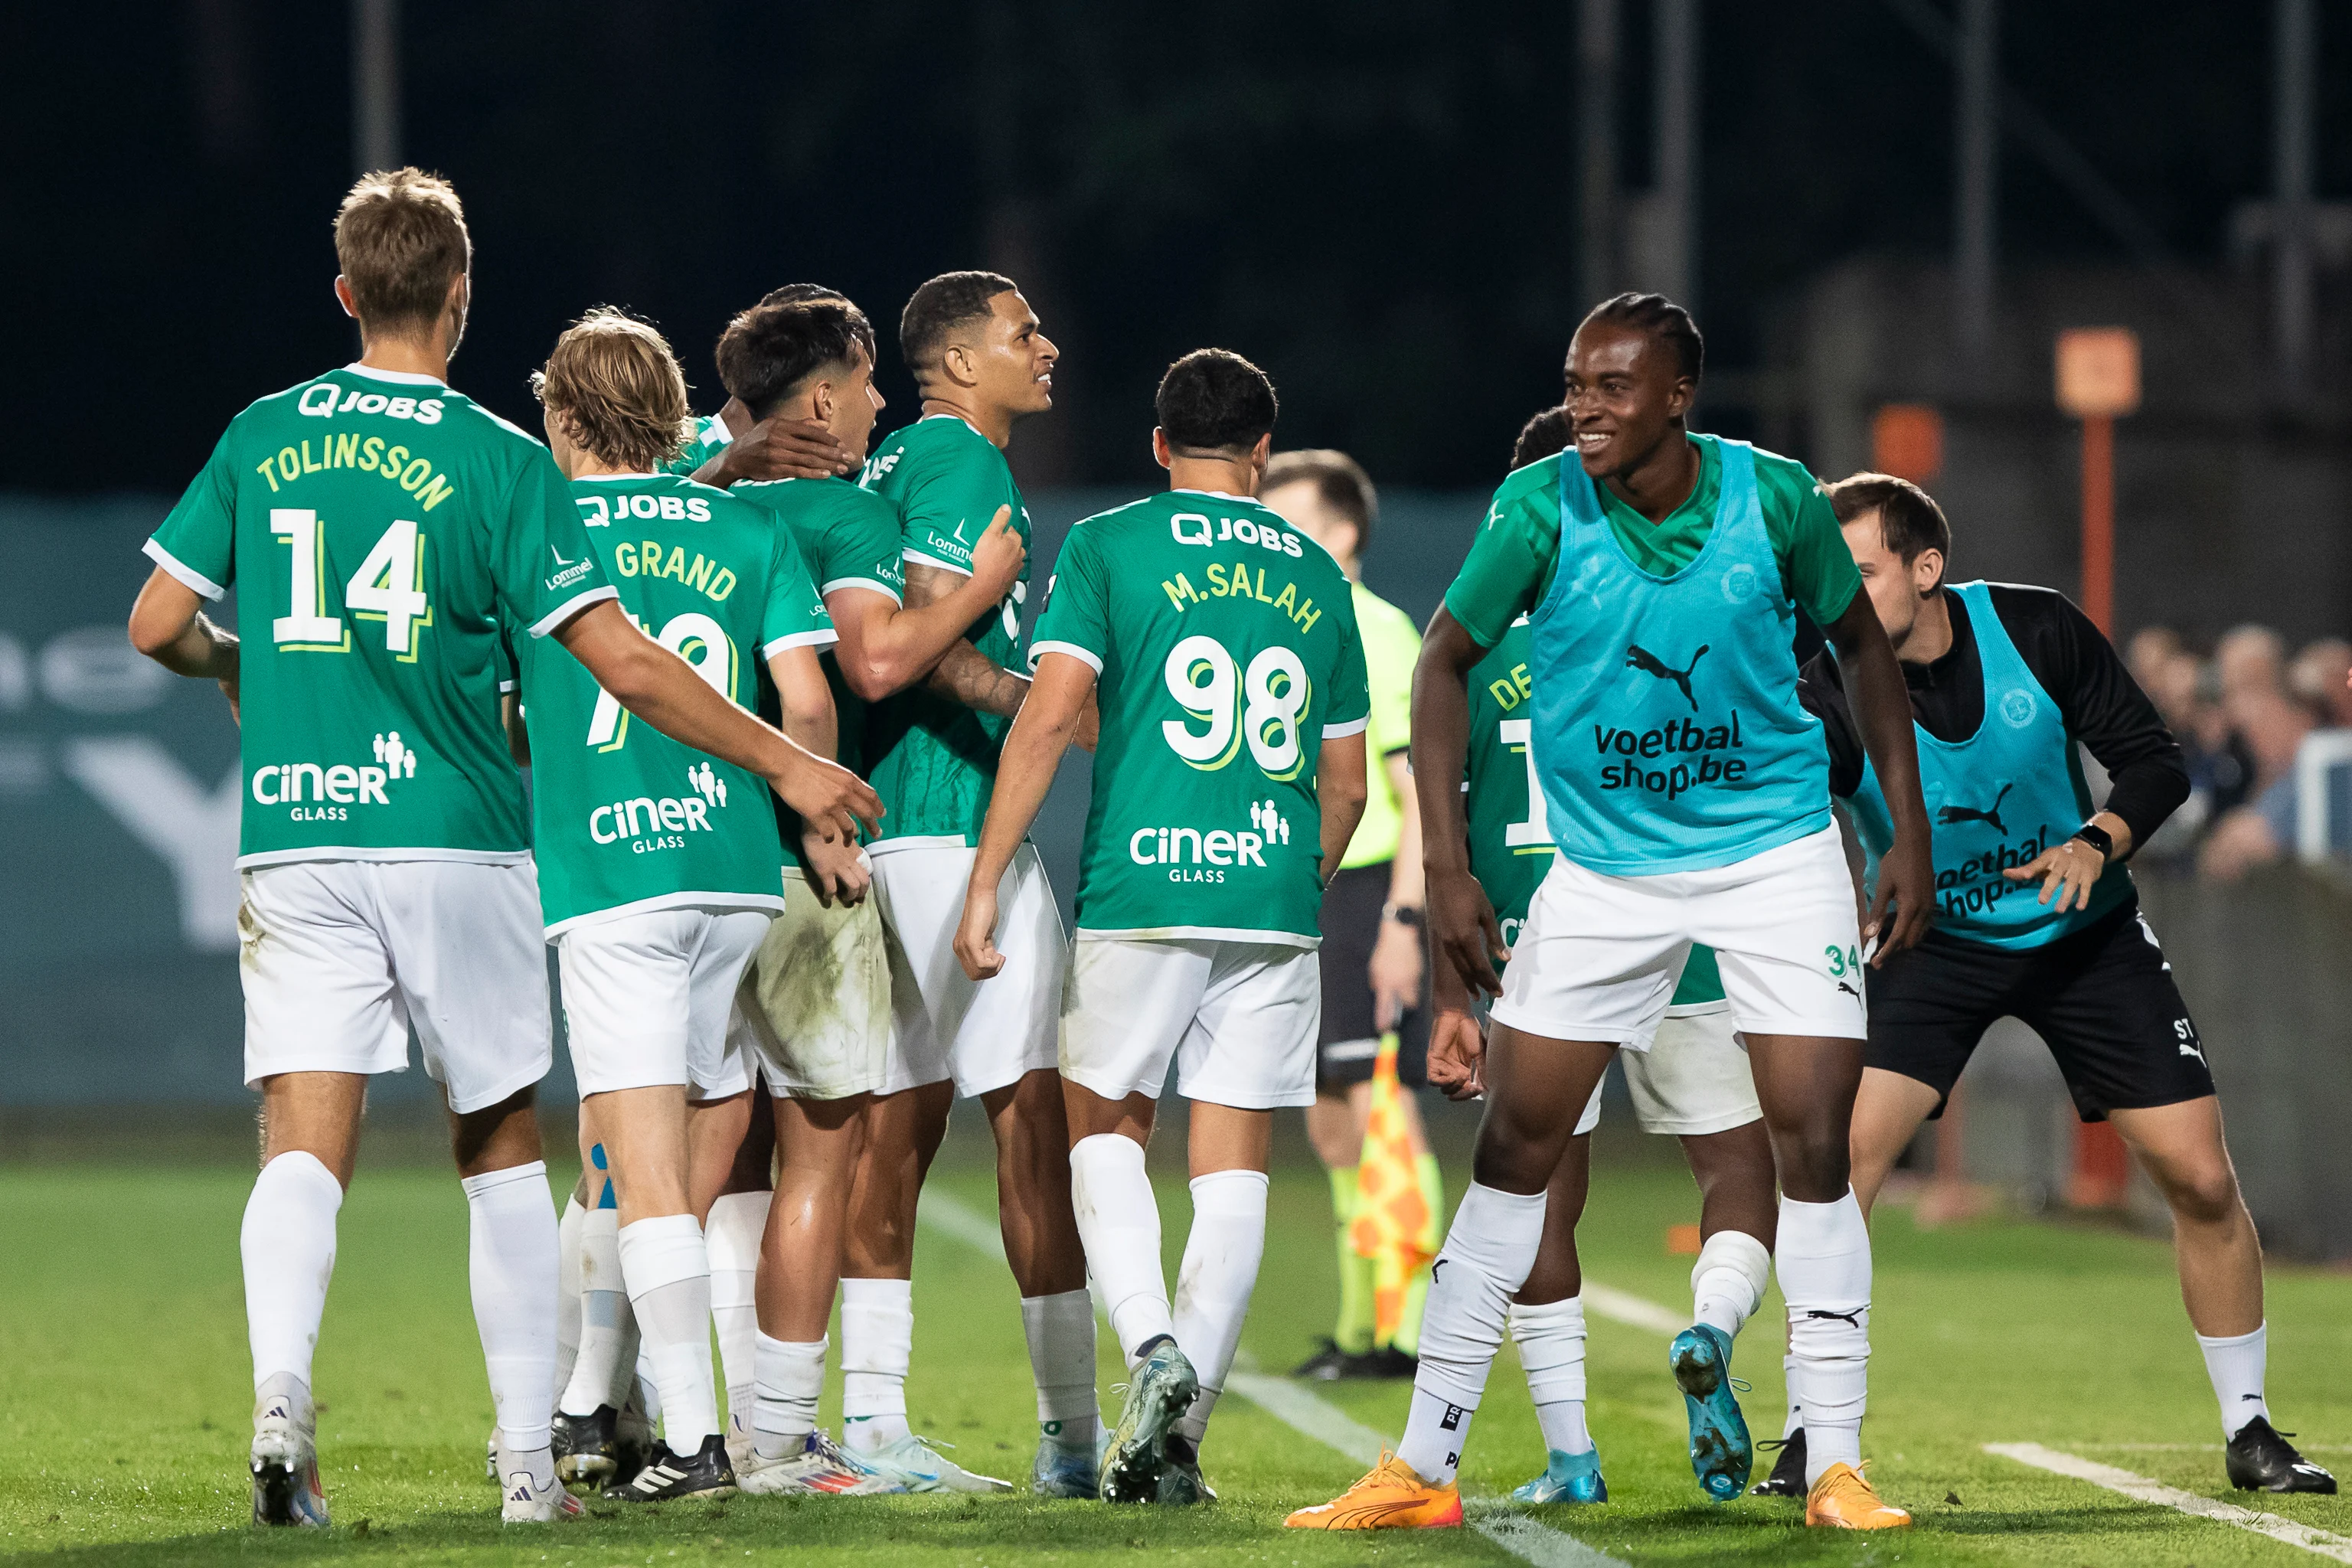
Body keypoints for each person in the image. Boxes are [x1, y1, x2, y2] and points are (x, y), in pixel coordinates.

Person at [125, 168, 877, 1528]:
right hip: (459, 837)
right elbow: (623, 661)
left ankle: (284, 1396)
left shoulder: (262, 431)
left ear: (347, 291)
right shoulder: (500, 460)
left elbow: (152, 623)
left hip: (296, 834)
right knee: (497, 1149)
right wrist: (786, 757)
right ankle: (532, 1470)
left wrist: (234, 657)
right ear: (461, 298)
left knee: (301, 1142)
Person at [1288, 292, 1934, 1534]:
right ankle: (1421, 1463)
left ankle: (1838, 1462)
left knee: (1810, 1137)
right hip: (1603, 868)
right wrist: (1449, 868)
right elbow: (1437, 663)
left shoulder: (1775, 495)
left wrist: (1901, 829)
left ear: (1680, 395)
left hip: (1774, 851)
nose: (1583, 405)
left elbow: (1859, 645)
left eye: (1612, 386)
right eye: (1574, 382)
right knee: (1516, 1145)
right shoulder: (1536, 504)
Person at [1778, 472, 2336, 1498]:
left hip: (2087, 938)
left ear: (1926, 568)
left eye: (1859, 572)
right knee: (1839, 1169)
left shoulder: (2037, 628)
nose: (1838, 596)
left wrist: (2098, 840)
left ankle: (2252, 1429)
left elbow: (2153, 761)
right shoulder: (1822, 682)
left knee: (2203, 1180)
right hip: (1930, 943)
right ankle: (1811, 1433)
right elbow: (1786, 818)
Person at [953, 348, 1370, 1504]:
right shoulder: (1317, 573)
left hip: (1143, 890)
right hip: (1271, 905)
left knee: (1104, 1136)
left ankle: (1149, 1350)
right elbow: (1348, 784)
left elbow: (1044, 726)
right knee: (1233, 1172)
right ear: (1263, 453)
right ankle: (1180, 1448)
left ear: (1157, 444)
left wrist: (987, 875)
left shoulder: (1108, 546)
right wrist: (1299, 874)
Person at [522, 308, 844, 1501]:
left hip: (613, 878)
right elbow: (805, 702)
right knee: (699, 1131)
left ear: (562, 413)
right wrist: (808, 817)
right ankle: (590, 1405)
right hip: (728, 875)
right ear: (673, 416)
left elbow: (522, 691)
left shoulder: (538, 522)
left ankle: (695, 1440)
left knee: (630, 1169)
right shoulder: (742, 525)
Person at [714, 292, 1032, 1494]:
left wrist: (725, 453)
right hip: (801, 855)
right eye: (865, 381)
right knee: (820, 1152)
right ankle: (792, 1440)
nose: (881, 403)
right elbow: (873, 661)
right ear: (830, 394)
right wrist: (979, 582)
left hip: (666, 853)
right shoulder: (842, 509)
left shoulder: (689, 497)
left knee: (673, 1160)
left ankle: (637, 1415)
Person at [1434, 407, 1779, 1507]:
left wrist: (1453, 990)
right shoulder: (1682, 629)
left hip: (1545, 949)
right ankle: (1714, 1321)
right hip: (1687, 937)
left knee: (1537, 1198)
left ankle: (1573, 1457)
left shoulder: (1475, 654)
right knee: (1742, 1173)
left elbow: (1456, 825)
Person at [845, 270, 1095, 1494]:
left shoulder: (892, 464)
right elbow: (928, 640)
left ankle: (873, 1427)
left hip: (889, 831)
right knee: (1030, 1131)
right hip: (950, 834)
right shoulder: (957, 460)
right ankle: (1073, 1441)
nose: (1044, 347)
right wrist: (1040, 703)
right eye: (1021, 333)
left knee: (894, 1130)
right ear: (955, 364)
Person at [1257, 451, 1442, 1380]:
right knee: (1333, 1123)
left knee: (1382, 1110)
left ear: (1343, 535)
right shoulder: (1290, 624)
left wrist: (1406, 923)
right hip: (1309, 893)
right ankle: (1360, 1322)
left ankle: (1409, 1329)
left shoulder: (1376, 628)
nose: (1274, 536)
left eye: (1290, 520)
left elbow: (1414, 797)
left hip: (1370, 896)